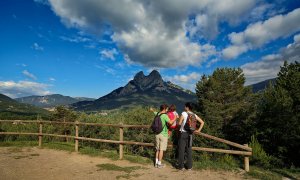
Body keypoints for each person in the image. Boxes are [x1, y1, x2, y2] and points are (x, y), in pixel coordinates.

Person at [177, 102, 204, 170]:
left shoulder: (184, 113)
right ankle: (189, 167)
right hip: (191, 134)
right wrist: (198, 130)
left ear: (187, 107)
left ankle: (181, 166)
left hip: (183, 134)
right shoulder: (194, 115)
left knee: (181, 150)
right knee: (189, 150)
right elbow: (202, 122)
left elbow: (179, 123)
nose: (184, 107)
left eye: (185, 106)